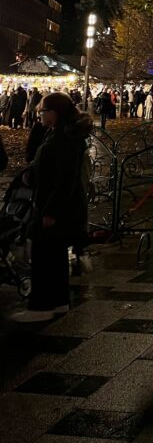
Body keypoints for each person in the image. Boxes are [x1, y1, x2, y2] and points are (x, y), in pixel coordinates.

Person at [9, 92, 92, 322]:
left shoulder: (62, 139)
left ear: (54, 113)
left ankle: (42, 305)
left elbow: (64, 178)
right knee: (54, 255)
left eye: (42, 111)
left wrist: (51, 211)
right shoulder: (61, 135)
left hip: (54, 207)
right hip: (58, 206)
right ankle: (58, 301)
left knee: (45, 255)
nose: (39, 114)